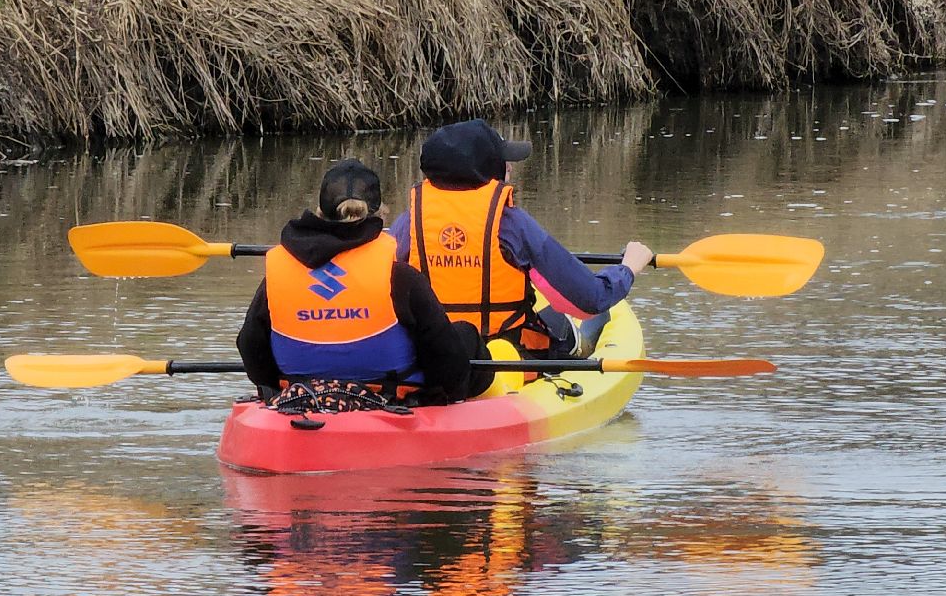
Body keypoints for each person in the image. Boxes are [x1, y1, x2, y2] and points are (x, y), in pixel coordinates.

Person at [389, 119, 653, 357]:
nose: (511, 169)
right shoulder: (512, 224)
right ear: (487, 170)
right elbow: (591, 301)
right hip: (504, 360)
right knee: (572, 321)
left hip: (431, 357)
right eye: (505, 163)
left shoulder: (408, 223)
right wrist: (628, 268)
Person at [237, 159, 493, 405]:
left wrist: (276, 386)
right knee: (465, 335)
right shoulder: (401, 277)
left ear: (319, 212)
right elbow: (448, 361)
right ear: (380, 213)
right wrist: (437, 396)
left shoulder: (278, 272)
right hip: (391, 397)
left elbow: (249, 345)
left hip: (302, 395)